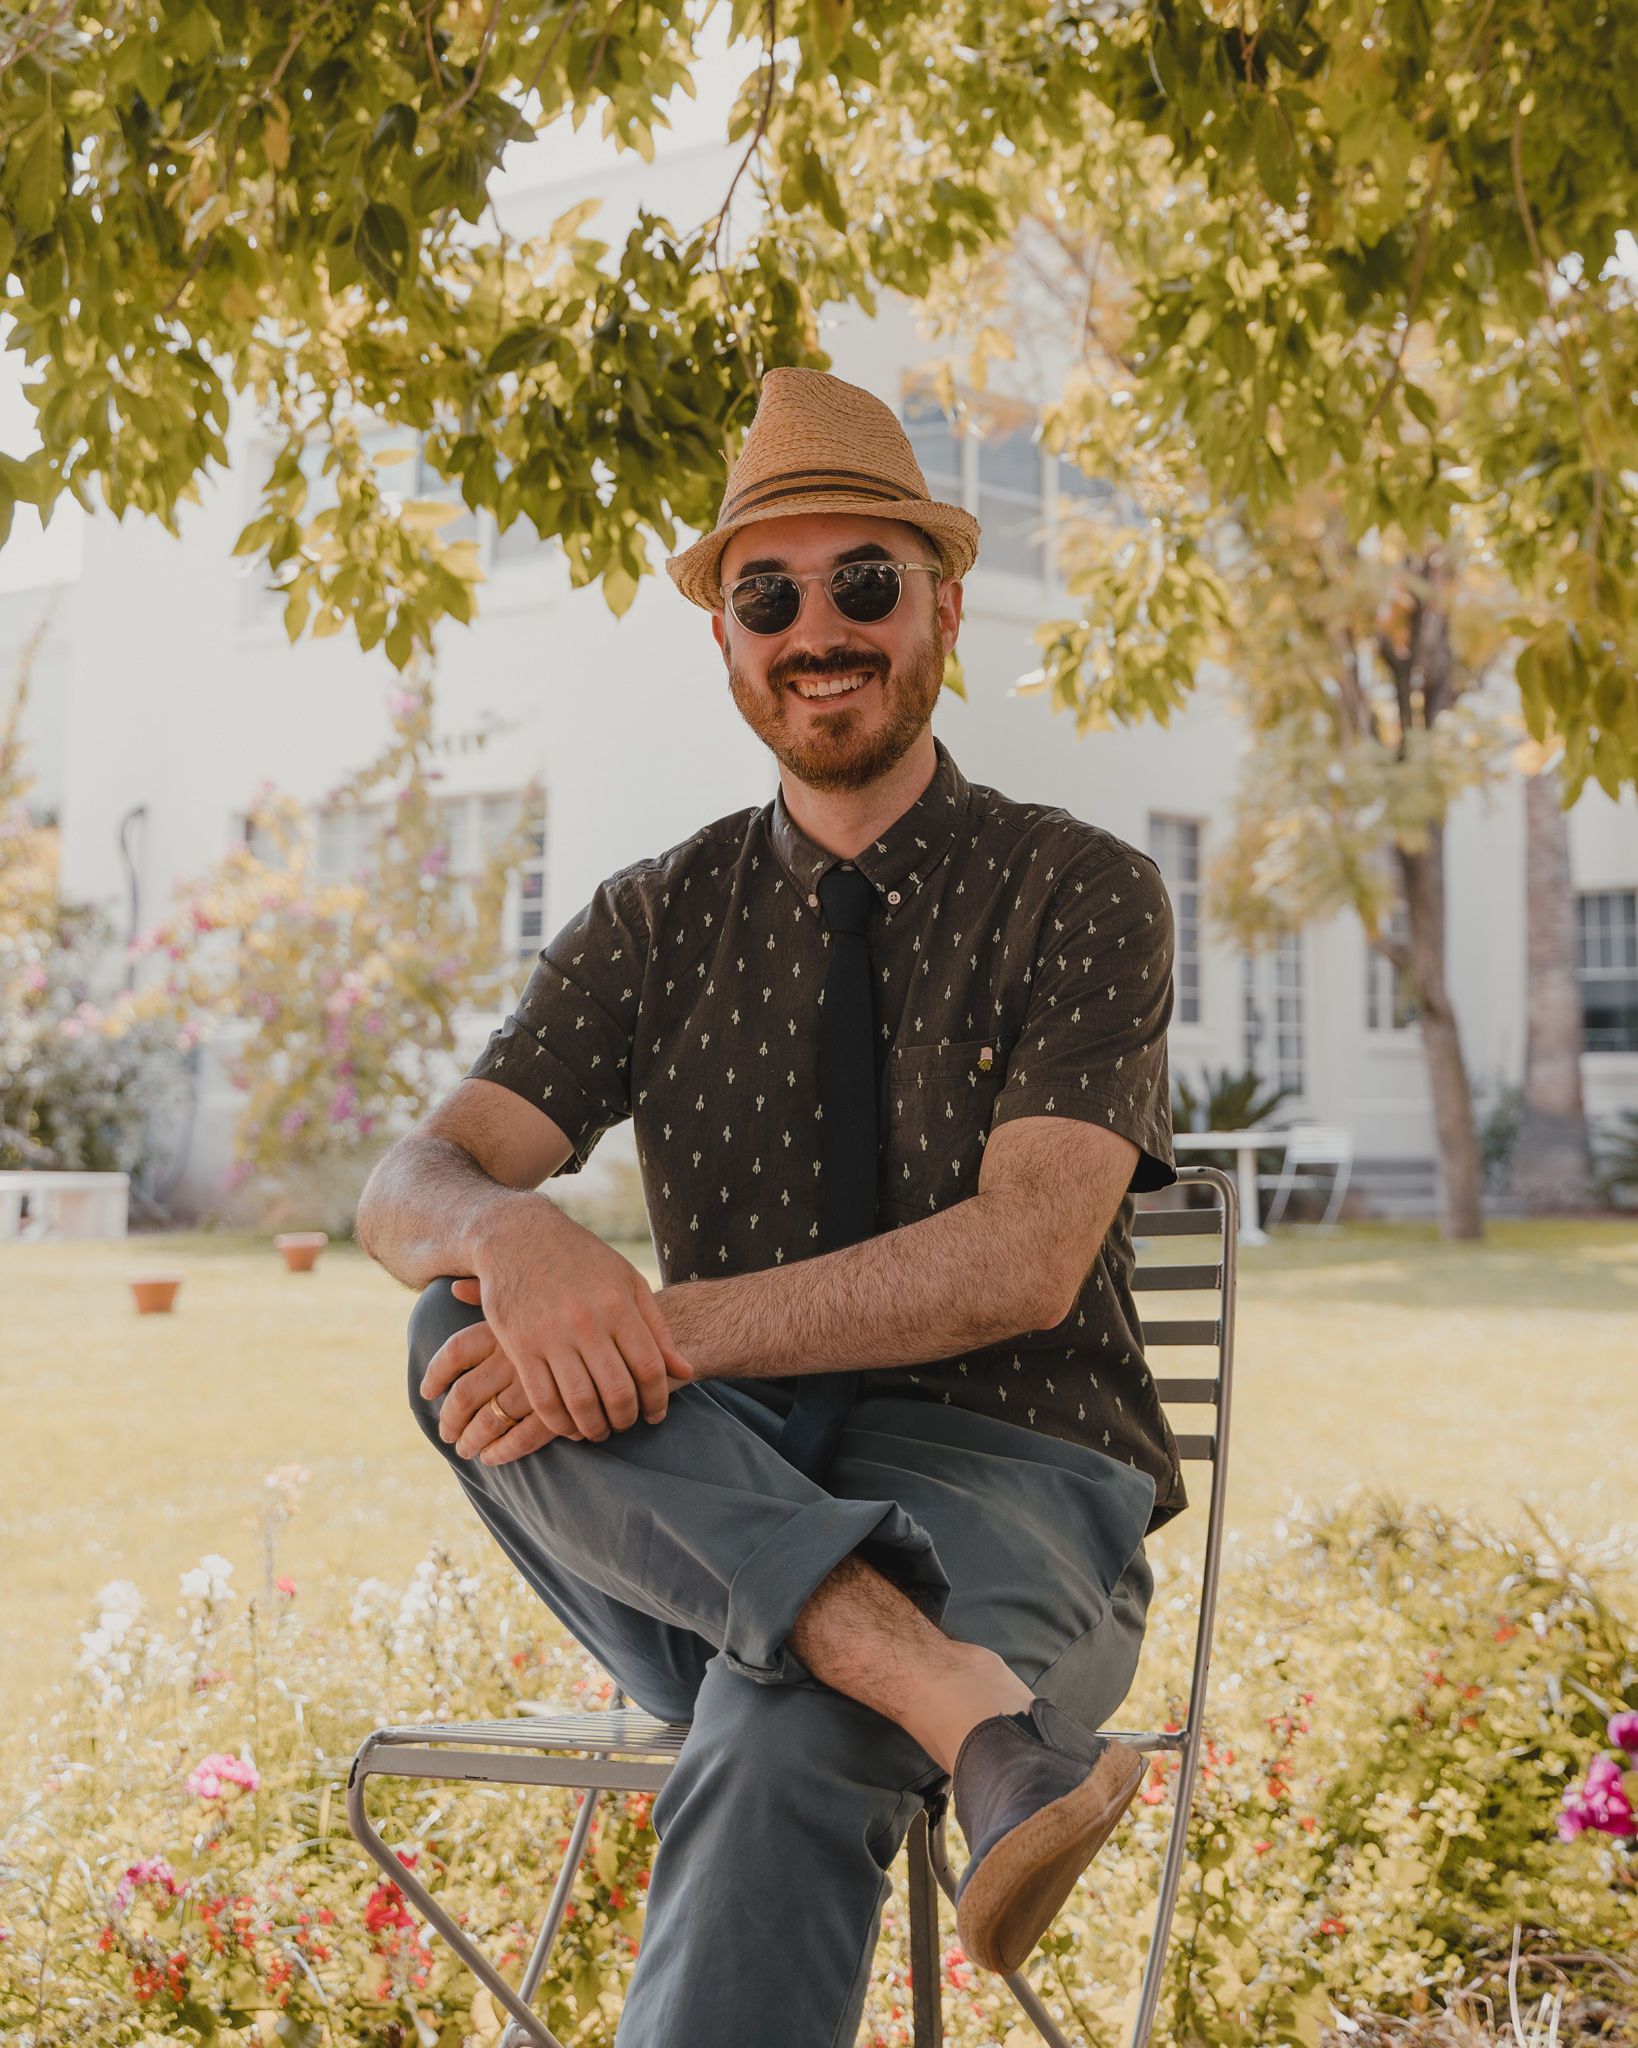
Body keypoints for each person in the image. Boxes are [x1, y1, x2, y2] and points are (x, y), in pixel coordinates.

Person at [356, 365, 1189, 2047]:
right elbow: (408, 1184)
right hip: (719, 1484)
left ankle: (896, 1673)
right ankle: (962, 1707)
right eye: (769, 594)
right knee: (458, 1317)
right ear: (726, 640)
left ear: (943, 605)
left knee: (783, 1731)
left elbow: (1026, 1261)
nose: (820, 627)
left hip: (1018, 1478)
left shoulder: (1077, 888)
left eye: (864, 582)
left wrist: (644, 1326)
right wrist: (514, 1237)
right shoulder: (654, 917)